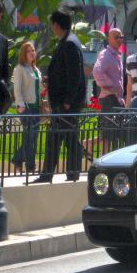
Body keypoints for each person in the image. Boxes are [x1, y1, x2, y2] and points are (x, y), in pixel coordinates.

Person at [32, 10, 86, 183]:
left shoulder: (69, 44)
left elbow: (74, 75)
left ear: (56, 25)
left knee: (62, 139)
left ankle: (63, 174)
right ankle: (63, 174)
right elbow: (66, 72)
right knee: (61, 138)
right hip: (64, 103)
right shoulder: (69, 41)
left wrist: (68, 101)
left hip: (65, 104)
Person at [11, 42, 43, 174]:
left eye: (33, 50)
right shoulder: (20, 68)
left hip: (36, 107)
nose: (32, 53)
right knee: (30, 137)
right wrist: (20, 105)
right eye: (29, 51)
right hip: (26, 107)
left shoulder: (35, 69)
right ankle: (31, 167)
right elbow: (17, 89)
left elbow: (39, 88)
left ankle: (17, 159)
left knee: (32, 137)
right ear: (24, 54)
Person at [92, 28, 125, 153]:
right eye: (116, 37)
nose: (119, 40)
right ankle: (105, 161)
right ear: (108, 39)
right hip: (108, 99)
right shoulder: (106, 54)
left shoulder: (116, 54)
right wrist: (106, 87)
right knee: (107, 135)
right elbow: (97, 71)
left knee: (114, 134)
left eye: (120, 37)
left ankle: (88, 145)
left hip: (116, 99)